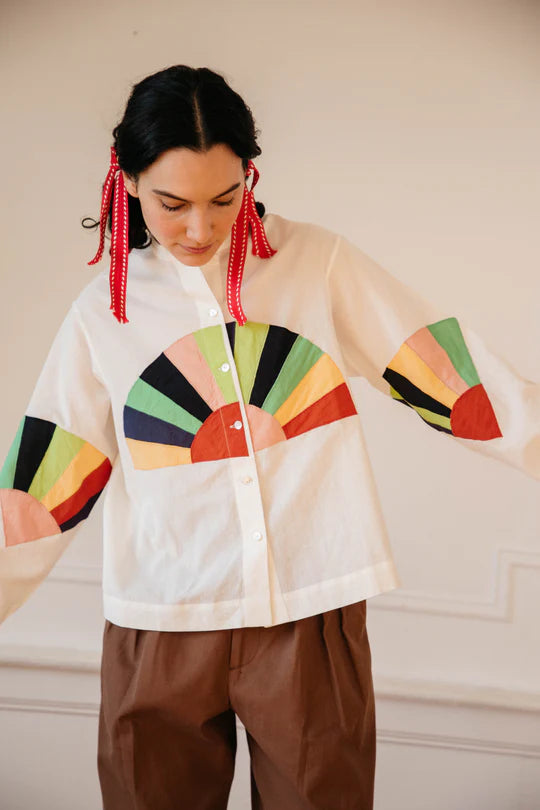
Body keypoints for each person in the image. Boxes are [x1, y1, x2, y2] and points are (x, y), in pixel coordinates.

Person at [0, 64, 538, 810]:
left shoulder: (314, 264)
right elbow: (46, 483)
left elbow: (447, 373)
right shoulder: (104, 313)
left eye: (225, 199)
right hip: (163, 620)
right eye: (172, 204)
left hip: (311, 610)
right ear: (126, 182)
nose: (200, 229)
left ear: (249, 175)